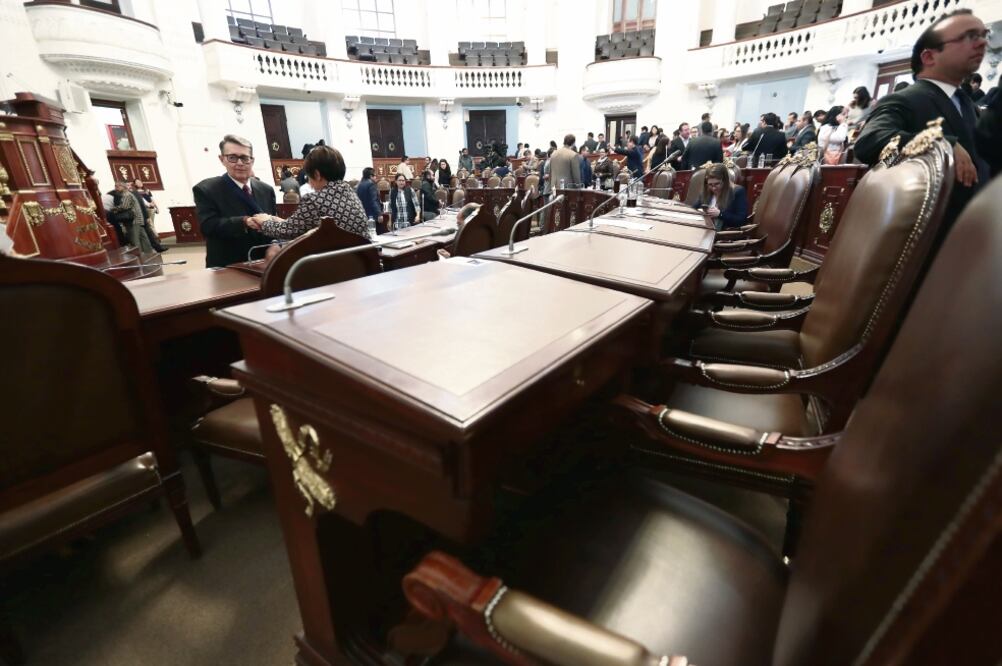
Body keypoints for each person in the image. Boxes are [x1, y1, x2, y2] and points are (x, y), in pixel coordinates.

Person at [855, 7, 989, 223]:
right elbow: (869, 142)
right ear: (928, 56)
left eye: (984, 35)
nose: (982, 43)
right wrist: (942, 143)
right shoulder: (904, 99)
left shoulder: (968, 105)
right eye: (969, 37)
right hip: (927, 231)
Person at [192, 134, 275, 268]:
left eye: (244, 158)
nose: (239, 163)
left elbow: (272, 223)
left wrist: (276, 243)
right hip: (228, 266)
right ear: (222, 159)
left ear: (252, 160)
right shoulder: (207, 189)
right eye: (232, 158)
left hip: (264, 263)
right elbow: (208, 226)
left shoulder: (266, 189)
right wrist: (245, 222)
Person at [254, 146, 368, 241]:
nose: (309, 183)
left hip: (333, 263)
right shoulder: (350, 192)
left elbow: (289, 231)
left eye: (308, 177)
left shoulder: (315, 200)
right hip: (360, 260)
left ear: (317, 175)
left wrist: (264, 223)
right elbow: (299, 224)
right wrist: (273, 219)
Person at [692, 163, 748, 231]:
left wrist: (720, 214)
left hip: (724, 235)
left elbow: (741, 220)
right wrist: (700, 212)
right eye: (710, 184)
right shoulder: (706, 191)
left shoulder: (738, 191)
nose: (713, 188)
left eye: (717, 184)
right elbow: (693, 209)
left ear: (725, 181)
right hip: (703, 230)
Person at [110, 181, 153, 253]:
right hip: (138, 218)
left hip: (134, 219)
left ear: (122, 187)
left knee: (134, 239)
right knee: (143, 237)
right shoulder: (129, 194)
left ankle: (138, 255)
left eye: (117, 186)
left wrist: (114, 209)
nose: (116, 188)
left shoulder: (126, 195)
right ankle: (149, 253)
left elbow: (124, 206)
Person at [127, 180, 167, 252]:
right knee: (147, 232)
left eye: (129, 185)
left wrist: (155, 207)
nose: (129, 187)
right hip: (139, 216)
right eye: (127, 185)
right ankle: (154, 246)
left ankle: (156, 246)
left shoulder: (135, 193)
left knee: (149, 230)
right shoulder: (134, 193)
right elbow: (143, 204)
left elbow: (144, 203)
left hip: (143, 214)